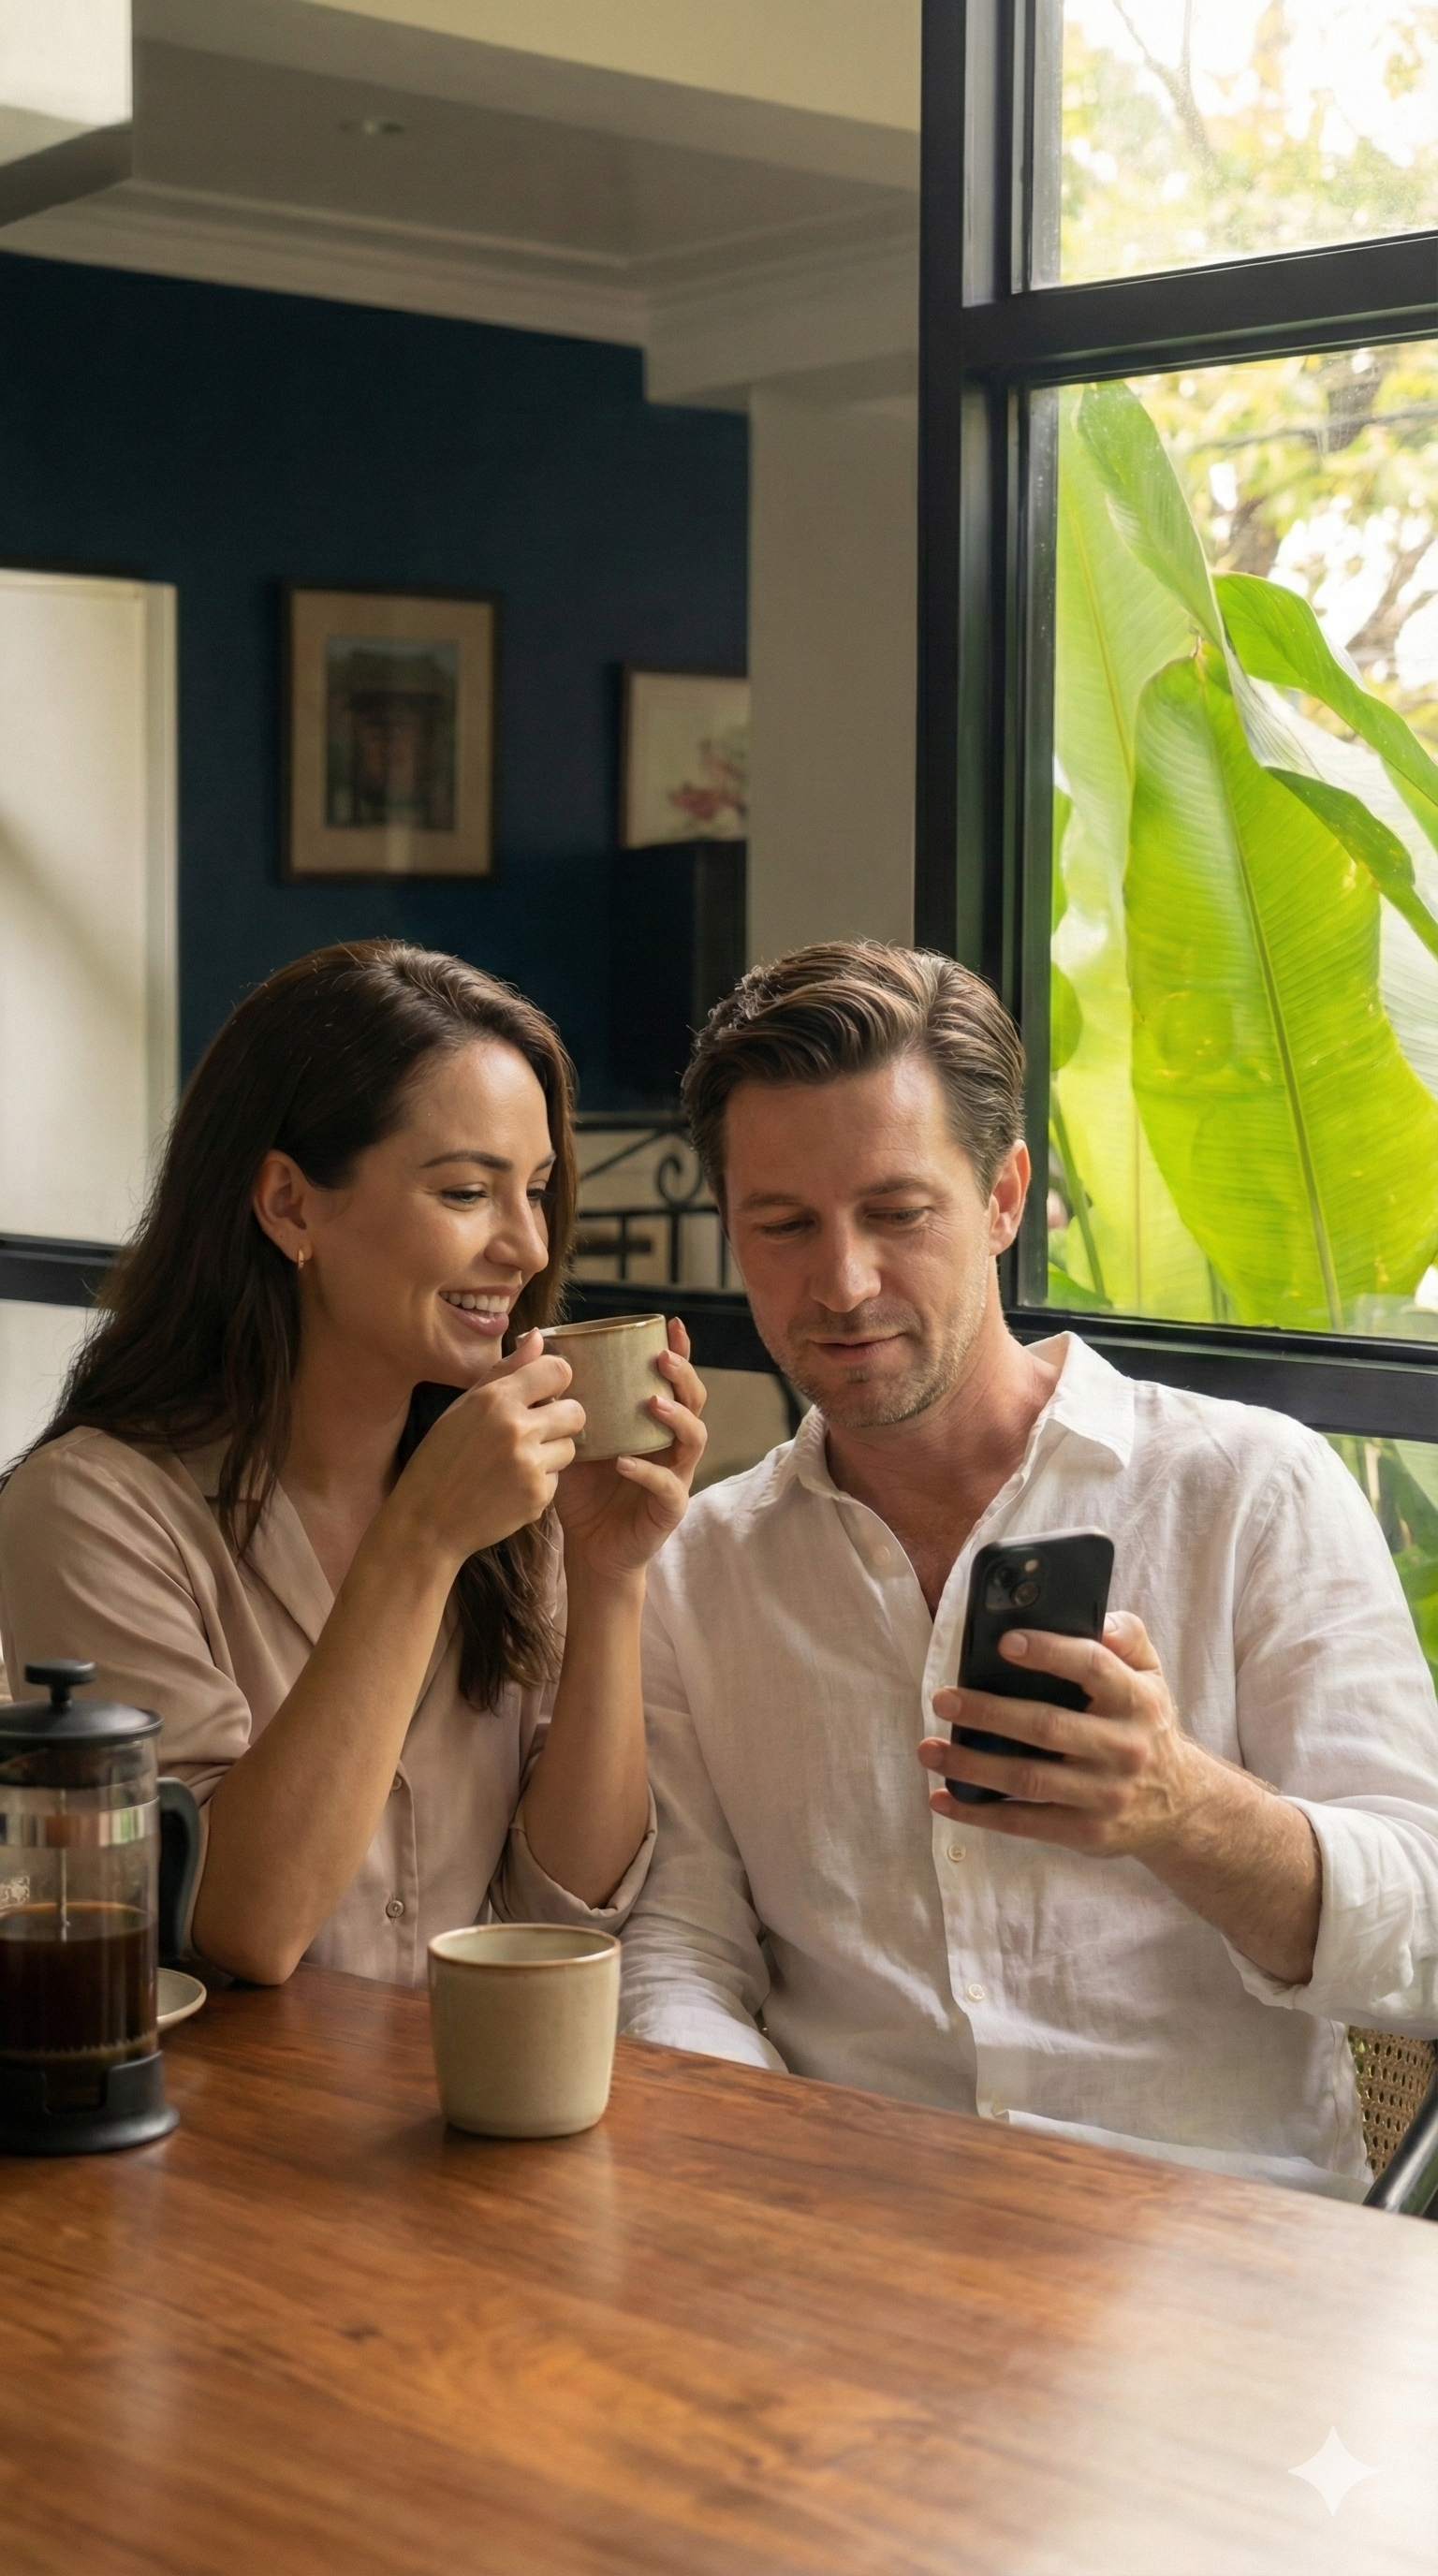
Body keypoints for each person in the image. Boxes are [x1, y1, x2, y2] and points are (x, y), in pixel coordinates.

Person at [619, 941, 1438, 2193]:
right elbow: (681, 1947)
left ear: (1006, 1197)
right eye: (783, 1226)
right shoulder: (697, 1569)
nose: (841, 1284)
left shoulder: (1248, 1491)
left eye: (897, 1214)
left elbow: (1428, 1937)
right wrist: (763, 2197)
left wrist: (1185, 1812)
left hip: (1218, 2276)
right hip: (845, 2257)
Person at [0, 941, 706, 1985]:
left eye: (539, 1190)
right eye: (468, 1191)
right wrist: (419, 1542)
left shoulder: (511, 1491)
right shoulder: (91, 1509)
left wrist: (608, 1576)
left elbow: (564, 1912)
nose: (529, 1246)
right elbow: (240, 1923)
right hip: (228, 2133)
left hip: (477, 2107)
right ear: (290, 1204)